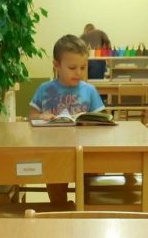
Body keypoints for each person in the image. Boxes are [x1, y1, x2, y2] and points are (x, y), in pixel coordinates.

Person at [29, 34, 106, 205]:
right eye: (72, 68)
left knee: (90, 186)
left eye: (83, 67)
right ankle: (60, 208)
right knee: (55, 182)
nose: (78, 72)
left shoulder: (89, 90)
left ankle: (83, 210)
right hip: (55, 151)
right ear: (56, 65)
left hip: (86, 151)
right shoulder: (45, 89)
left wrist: (91, 123)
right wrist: (41, 116)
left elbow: (102, 121)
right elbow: (31, 116)